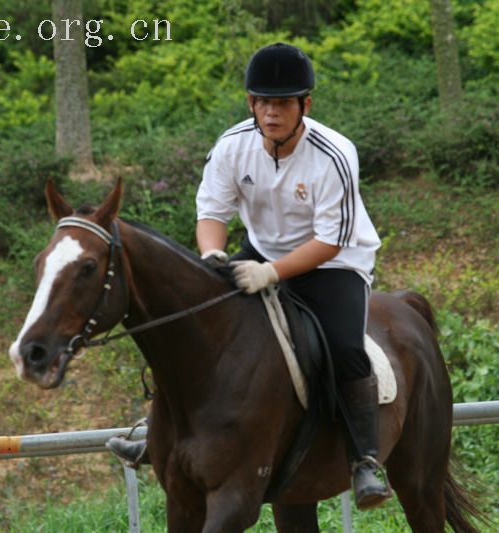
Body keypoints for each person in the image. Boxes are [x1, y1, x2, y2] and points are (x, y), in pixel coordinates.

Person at [107, 42, 390, 510]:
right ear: (250, 103)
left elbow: (330, 240)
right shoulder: (232, 146)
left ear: (306, 105)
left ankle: (364, 458)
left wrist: (273, 273)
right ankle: (159, 436)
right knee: (195, 330)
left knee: (343, 346)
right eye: (262, 102)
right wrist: (214, 253)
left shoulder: (335, 153)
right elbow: (212, 211)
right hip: (258, 251)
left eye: (282, 103)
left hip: (333, 262)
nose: (271, 112)